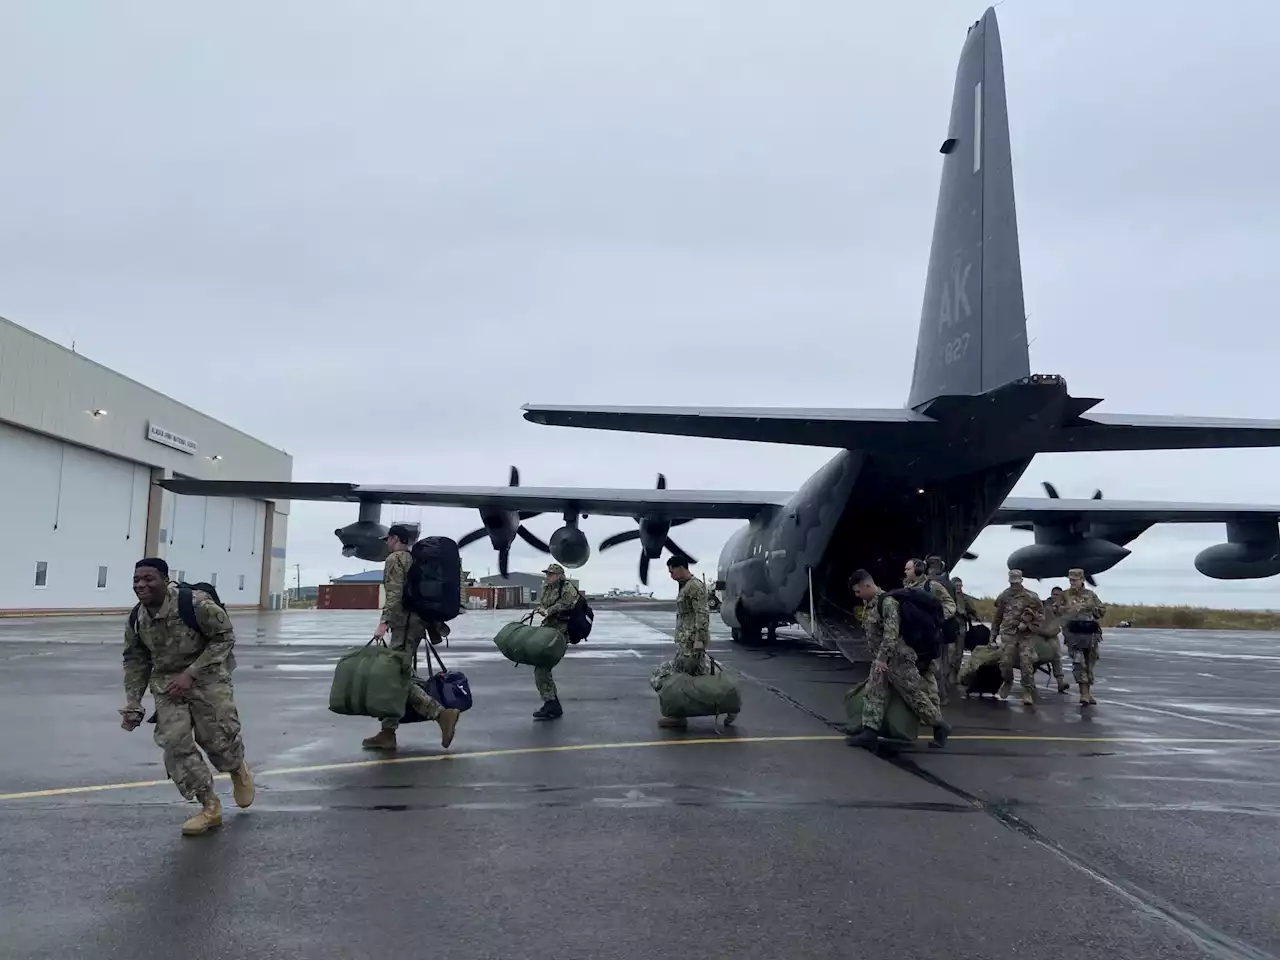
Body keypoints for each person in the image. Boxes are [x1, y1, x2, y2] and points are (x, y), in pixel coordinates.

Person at [120, 558, 253, 836]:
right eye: (136, 580)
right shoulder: (137, 618)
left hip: (208, 677)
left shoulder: (195, 604)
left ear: (165, 579)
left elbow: (225, 638)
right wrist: (134, 701)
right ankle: (209, 807)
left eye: (148, 578)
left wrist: (191, 673)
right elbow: (136, 659)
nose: (141, 585)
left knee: (216, 740)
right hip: (167, 686)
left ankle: (237, 769)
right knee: (174, 744)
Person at [362, 524, 461, 751]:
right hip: (417, 622)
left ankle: (440, 713)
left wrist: (384, 622)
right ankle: (388, 732)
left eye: (387, 539)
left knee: (395, 676)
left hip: (404, 624)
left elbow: (395, 594)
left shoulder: (396, 559)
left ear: (396, 538)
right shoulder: (414, 559)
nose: (386, 543)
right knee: (398, 673)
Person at [847, 569, 950, 749]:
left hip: (898, 658)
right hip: (883, 658)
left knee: (914, 696)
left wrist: (882, 658)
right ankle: (869, 732)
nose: (857, 595)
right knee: (875, 692)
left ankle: (940, 726)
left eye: (858, 591)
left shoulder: (886, 602)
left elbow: (891, 634)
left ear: (867, 585)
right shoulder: (871, 604)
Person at [650, 555, 728, 729]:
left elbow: (702, 613)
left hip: (691, 645)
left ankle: (677, 716)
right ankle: (728, 703)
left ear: (681, 567)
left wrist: (699, 640)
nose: (671, 576)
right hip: (687, 643)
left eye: (672, 571)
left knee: (667, 677)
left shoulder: (695, 586)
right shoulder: (685, 586)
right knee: (703, 679)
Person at [904, 557, 956, 707]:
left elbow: (949, 604)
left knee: (929, 671)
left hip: (928, 636)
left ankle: (933, 704)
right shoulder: (907, 587)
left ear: (918, 570)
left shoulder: (932, 586)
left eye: (908, 569)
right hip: (912, 635)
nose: (905, 572)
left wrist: (937, 619)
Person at [990, 568, 1044, 706]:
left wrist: (1028, 623)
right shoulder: (1004, 596)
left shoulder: (1031, 596)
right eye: (1012, 583)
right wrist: (993, 635)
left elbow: (1041, 616)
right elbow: (998, 616)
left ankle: (1027, 691)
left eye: (1016, 583)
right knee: (1005, 663)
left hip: (1026, 636)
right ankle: (1008, 681)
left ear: (1021, 581)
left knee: (1026, 663)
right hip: (1008, 634)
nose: (1014, 586)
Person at [531, 563, 579, 720]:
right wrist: (541, 609)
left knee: (542, 668)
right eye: (547, 574)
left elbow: (568, 603)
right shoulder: (546, 588)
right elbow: (544, 604)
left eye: (551, 574)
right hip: (548, 631)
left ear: (559, 575)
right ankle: (552, 704)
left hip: (560, 634)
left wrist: (549, 611)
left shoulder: (567, 588)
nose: (548, 577)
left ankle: (552, 704)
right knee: (543, 669)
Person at [1060, 568, 1106, 706]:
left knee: (1090, 664)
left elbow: (1101, 611)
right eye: (1070, 580)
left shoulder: (1090, 595)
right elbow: (1057, 611)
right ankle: (1083, 693)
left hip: (1090, 636)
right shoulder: (1065, 595)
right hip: (1074, 636)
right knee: (1079, 664)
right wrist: (1070, 610)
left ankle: (1088, 692)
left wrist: (1091, 608)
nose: (1072, 582)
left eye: (1075, 580)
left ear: (1081, 580)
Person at [949, 575, 981, 685]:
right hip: (949, 628)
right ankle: (946, 676)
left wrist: (967, 614)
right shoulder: (947, 596)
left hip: (961, 627)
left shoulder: (965, 598)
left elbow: (974, 614)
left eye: (960, 585)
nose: (958, 588)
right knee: (949, 652)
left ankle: (954, 675)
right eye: (956, 585)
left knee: (958, 653)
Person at [1043, 587, 1072, 694]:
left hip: (1052, 635)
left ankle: (1060, 682)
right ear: (1051, 594)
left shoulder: (1062, 608)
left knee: (1056, 655)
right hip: (1038, 634)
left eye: (1058, 595)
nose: (1056, 597)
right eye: (1054, 594)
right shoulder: (1043, 605)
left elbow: (1066, 621)